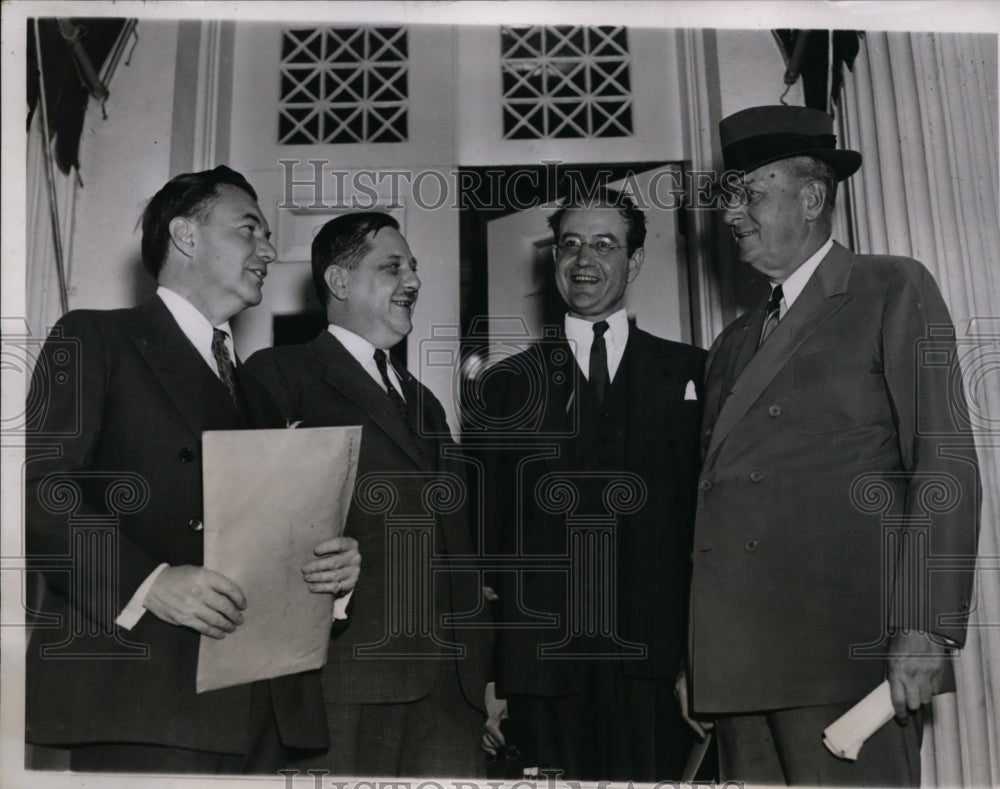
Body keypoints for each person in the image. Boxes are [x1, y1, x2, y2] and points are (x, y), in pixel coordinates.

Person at [678, 105, 981, 785]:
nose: (731, 215)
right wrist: (697, 661)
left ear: (812, 196)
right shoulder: (730, 344)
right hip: (738, 668)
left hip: (844, 657)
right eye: (729, 198)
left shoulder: (889, 287)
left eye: (751, 194)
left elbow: (944, 462)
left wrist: (926, 625)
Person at [24, 166, 361, 774]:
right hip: (145, 701)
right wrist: (149, 583)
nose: (269, 249)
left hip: (261, 707)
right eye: (249, 229)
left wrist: (330, 573)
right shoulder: (97, 337)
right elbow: (37, 495)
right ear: (185, 235)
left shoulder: (256, 392)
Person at [244, 212, 492, 777]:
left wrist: (483, 667)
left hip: (453, 690)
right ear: (338, 282)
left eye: (413, 268)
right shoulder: (281, 375)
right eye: (392, 267)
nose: (413, 281)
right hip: (349, 682)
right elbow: (254, 530)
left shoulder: (423, 400)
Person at [478, 188, 707, 781]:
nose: (584, 260)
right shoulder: (506, 386)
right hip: (543, 673)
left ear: (633, 262)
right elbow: (483, 543)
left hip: (659, 669)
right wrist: (488, 676)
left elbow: (713, 535)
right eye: (570, 244)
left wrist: (704, 663)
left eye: (605, 245)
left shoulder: (692, 373)